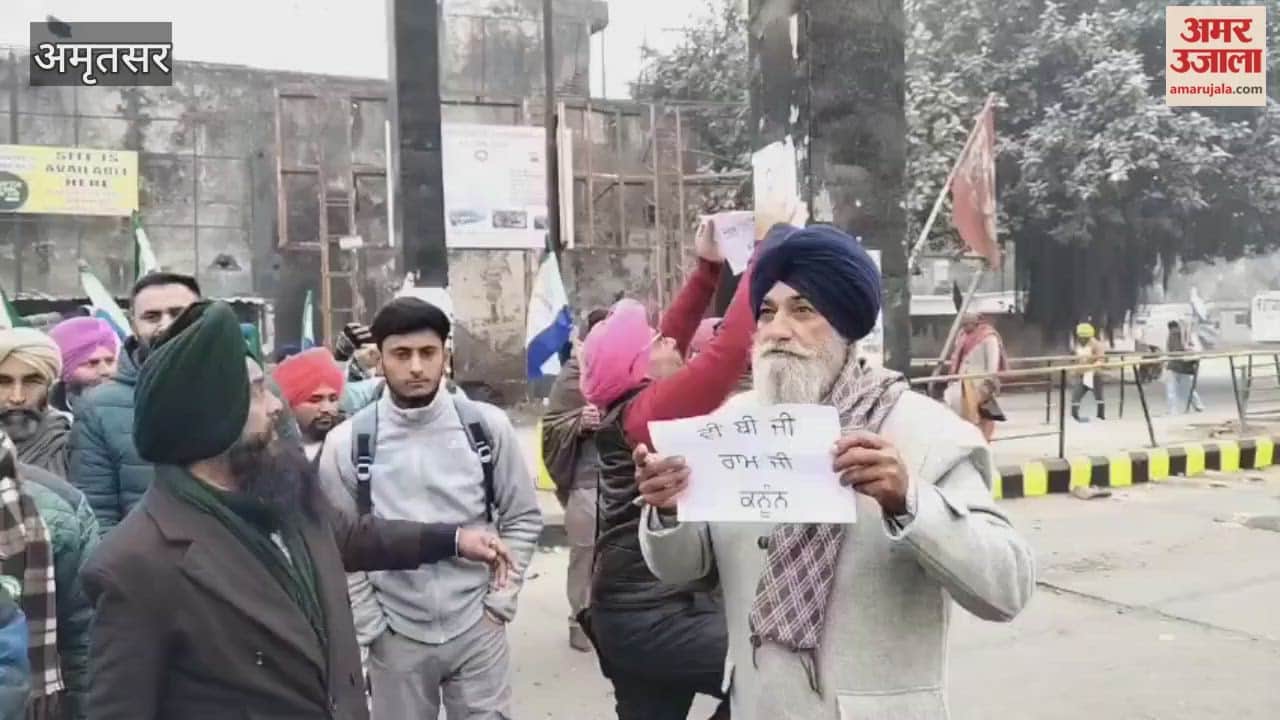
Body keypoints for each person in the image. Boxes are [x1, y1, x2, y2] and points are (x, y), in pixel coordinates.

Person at [636, 226, 1036, 719]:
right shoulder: (731, 429)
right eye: (767, 311)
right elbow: (683, 570)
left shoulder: (928, 435)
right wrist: (669, 510)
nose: (778, 328)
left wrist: (909, 501)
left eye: (802, 310)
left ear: (847, 326)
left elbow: (1007, 589)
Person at [80, 301, 514, 719]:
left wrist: (454, 540)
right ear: (209, 418)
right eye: (254, 394)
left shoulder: (281, 489)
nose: (275, 405)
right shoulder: (137, 562)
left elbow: (353, 537)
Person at [318, 297, 542, 720]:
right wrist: (373, 627)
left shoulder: (486, 427)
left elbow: (522, 517)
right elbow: (338, 543)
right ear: (379, 360)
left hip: (478, 627)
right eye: (401, 355)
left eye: (428, 353)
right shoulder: (348, 443)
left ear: (446, 355)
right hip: (395, 633)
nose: (416, 367)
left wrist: (500, 603)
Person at [577, 218, 760, 720]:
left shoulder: (633, 407)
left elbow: (671, 341)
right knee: (766, 669)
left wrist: (709, 269)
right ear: (640, 368)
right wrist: (765, 255)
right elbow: (725, 357)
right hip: (654, 616)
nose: (669, 341)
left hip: (630, 617)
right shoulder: (647, 415)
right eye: (654, 340)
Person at [69, 272, 299, 532]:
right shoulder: (99, 407)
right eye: (151, 316)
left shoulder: (261, 392)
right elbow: (97, 516)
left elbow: (293, 483)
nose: (165, 325)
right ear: (133, 324)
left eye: (178, 313)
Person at [540, 308, 609, 652]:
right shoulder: (572, 376)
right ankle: (579, 620)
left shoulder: (633, 370)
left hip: (625, 480)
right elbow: (551, 427)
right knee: (585, 553)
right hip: (586, 481)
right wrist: (578, 422)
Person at [0, 329, 73, 478]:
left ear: (49, 386)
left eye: (31, 382)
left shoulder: (71, 445)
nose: (17, 397)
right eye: (3, 382)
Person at [274, 348, 346, 464]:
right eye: (315, 400)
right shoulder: (273, 450)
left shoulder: (350, 443)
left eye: (333, 399)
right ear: (292, 404)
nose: (326, 409)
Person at [944, 312, 1008, 441]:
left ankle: (984, 441)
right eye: (963, 324)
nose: (965, 327)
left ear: (976, 323)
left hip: (980, 382)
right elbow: (957, 357)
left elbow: (992, 362)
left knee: (984, 415)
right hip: (962, 381)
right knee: (964, 415)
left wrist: (989, 382)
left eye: (968, 324)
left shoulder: (989, 337)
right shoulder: (962, 336)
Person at [47, 318, 119, 417]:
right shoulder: (47, 418)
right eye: (92, 363)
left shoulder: (137, 403)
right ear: (64, 368)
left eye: (110, 361)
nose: (105, 371)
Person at [1165, 320, 1205, 415]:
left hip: (1180, 366)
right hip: (1178, 366)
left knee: (1175, 388)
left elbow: (1192, 349)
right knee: (1182, 388)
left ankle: (1174, 409)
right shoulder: (1182, 335)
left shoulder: (1184, 336)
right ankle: (1197, 405)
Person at [1071, 322, 1107, 422]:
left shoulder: (1096, 345)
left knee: (1098, 395)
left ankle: (1101, 415)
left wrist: (1094, 366)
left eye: (1084, 337)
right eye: (1080, 337)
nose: (1081, 339)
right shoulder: (1078, 344)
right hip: (1082, 374)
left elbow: (1101, 359)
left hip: (1094, 374)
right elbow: (1076, 358)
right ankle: (1075, 415)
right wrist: (1075, 369)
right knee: (1076, 394)